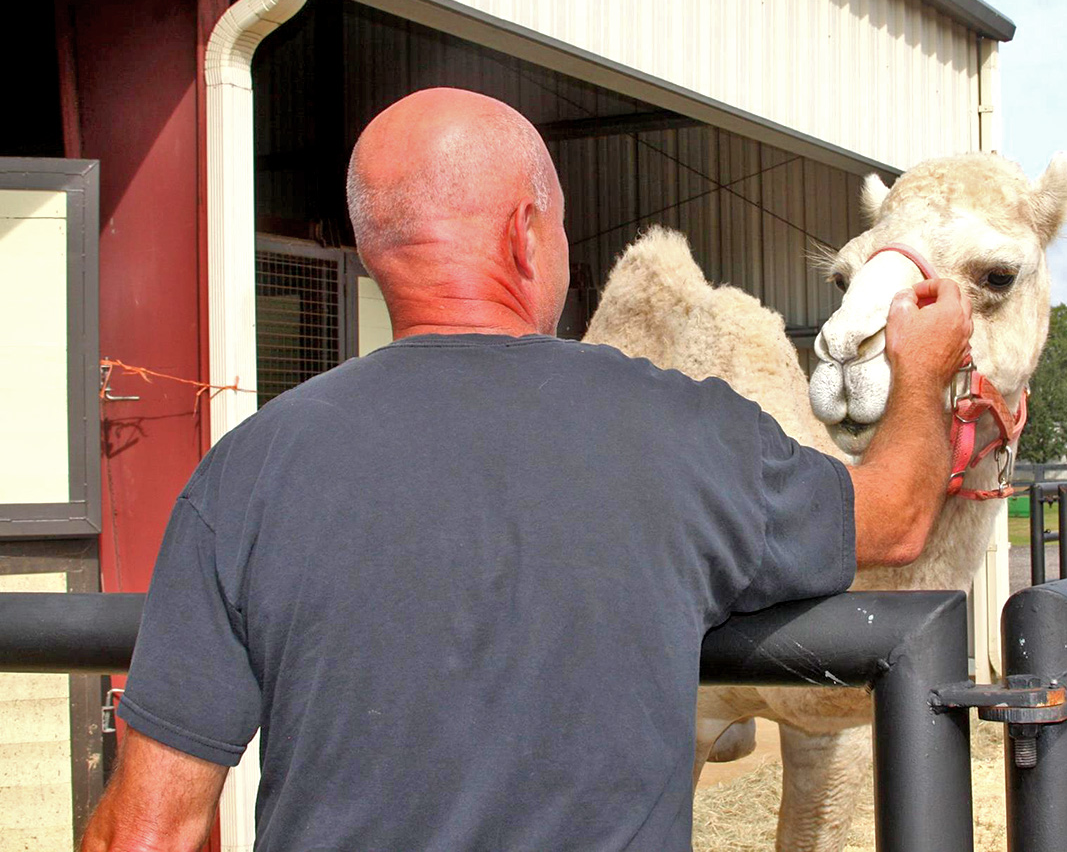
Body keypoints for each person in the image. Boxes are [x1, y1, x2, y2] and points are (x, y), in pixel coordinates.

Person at [79, 89, 976, 851]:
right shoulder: (686, 434)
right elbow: (895, 517)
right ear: (524, 234)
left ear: (375, 255)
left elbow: (147, 833)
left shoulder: (249, 473)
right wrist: (924, 374)